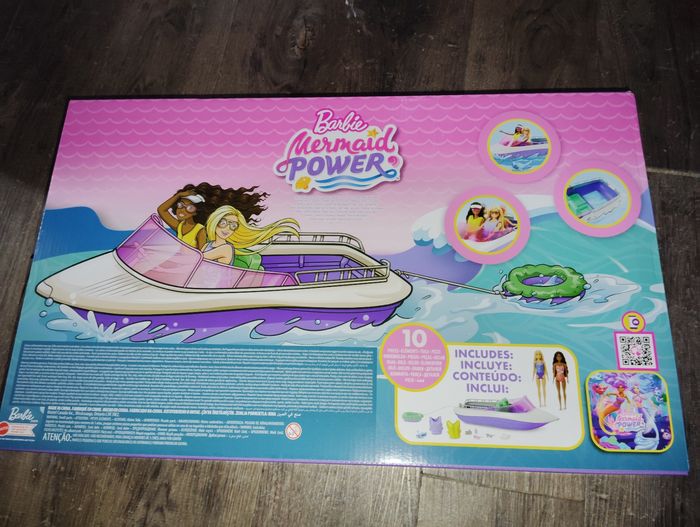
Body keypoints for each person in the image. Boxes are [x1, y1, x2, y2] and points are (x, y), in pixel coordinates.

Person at [202, 205, 300, 270]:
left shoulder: (226, 248)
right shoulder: (207, 245)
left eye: (233, 226)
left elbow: (199, 258)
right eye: (223, 223)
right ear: (215, 221)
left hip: (216, 286)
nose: (227, 228)